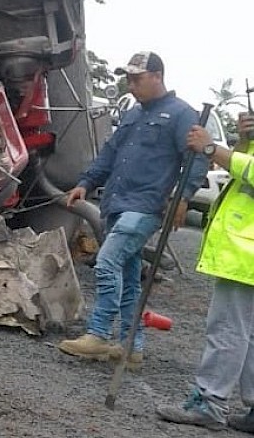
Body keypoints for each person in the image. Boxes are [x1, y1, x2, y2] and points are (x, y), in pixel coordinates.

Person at [57, 51, 207, 368]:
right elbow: (110, 153)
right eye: (128, 78)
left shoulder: (182, 115)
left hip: (145, 206)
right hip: (117, 202)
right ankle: (130, 345)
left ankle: (98, 333)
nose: (131, 84)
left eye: (137, 78)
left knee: (107, 261)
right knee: (127, 274)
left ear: (158, 76)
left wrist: (184, 196)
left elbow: (197, 158)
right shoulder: (133, 113)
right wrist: (86, 182)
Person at [155, 111, 254, 432]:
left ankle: (211, 402)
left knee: (228, 328)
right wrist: (244, 142)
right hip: (244, 250)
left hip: (246, 253)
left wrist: (212, 149)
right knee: (248, 333)